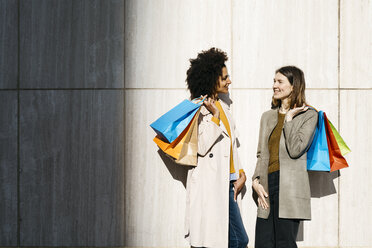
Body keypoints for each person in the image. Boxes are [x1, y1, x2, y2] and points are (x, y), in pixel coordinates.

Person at [184, 47, 249, 248]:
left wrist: (240, 172)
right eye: (224, 77)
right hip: (211, 185)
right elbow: (201, 146)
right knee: (235, 240)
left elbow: (231, 146)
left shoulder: (224, 107)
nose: (229, 80)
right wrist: (214, 117)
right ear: (212, 79)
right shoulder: (198, 108)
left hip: (228, 184)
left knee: (232, 240)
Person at [252, 66, 318, 248]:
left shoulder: (309, 116)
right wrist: (256, 181)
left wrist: (288, 119)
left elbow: (296, 149)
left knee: (284, 243)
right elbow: (261, 153)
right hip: (267, 185)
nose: (275, 85)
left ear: (293, 87)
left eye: (280, 82)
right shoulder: (267, 117)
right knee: (263, 243)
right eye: (274, 81)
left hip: (289, 188)